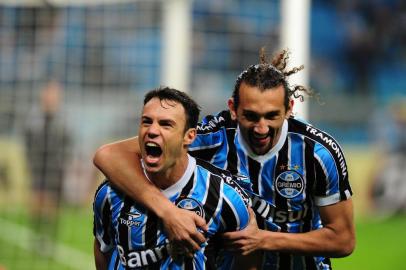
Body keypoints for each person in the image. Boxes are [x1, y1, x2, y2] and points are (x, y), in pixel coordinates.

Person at [93, 49, 356, 269]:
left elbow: (342, 240)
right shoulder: (212, 137)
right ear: (233, 109)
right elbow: (108, 155)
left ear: (289, 109)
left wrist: (264, 239)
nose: (261, 128)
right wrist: (168, 212)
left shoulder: (318, 153)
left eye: (271, 116)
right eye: (251, 116)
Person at [93, 87, 253, 269]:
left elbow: (248, 258)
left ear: (189, 136)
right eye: (146, 121)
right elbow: (103, 247)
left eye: (166, 124)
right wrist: (170, 213)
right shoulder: (109, 193)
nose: (152, 130)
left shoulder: (225, 197)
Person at [24, 79, 72, 245]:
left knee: (52, 203)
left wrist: (63, 160)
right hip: (38, 164)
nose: (52, 97)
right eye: (49, 93)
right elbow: (28, 139)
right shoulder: (34, 117)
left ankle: (48, 237)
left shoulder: (63, 118)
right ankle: (36, 233)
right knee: (37, 200)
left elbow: (68, 140)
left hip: (54, 165)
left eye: (55, 93)